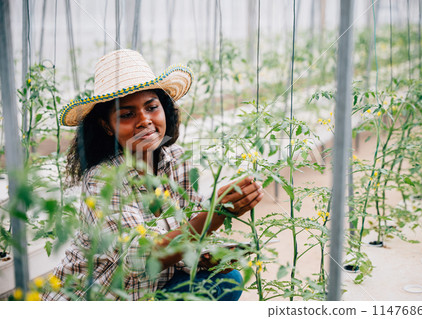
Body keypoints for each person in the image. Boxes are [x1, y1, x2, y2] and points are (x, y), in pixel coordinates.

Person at [42, 49, 264, 301]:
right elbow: (139, 259)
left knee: (226, 280)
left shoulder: (177, 159)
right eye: (127, 114)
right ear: (106, 125)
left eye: (151, 107)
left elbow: (186, 229)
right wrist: (214, 215)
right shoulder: (102, 179)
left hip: (152, 288)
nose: (144, 120)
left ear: (164, 109)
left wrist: (207, 253)